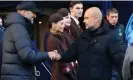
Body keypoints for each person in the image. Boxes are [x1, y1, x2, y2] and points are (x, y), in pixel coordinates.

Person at [54, 7, 126, 80]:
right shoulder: (82, 37)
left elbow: (122, 64)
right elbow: (70, 54)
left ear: (95, 19)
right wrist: (56, 56)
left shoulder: (112, 37)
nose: (84, 21)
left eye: (86, 18)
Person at [1, 1, 60, 80]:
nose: (35, 15)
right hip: (19, 76)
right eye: (33, 12)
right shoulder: (18, 29)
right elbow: (28, 56)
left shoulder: (14, 27)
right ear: (23, 12)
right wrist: (49, 54)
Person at [46, 13, 76, 80]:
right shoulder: (52, 40)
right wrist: (73, 76)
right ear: (53, 25)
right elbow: (61, 62)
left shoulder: (61, 37)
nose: (63, 26)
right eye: (61, 24)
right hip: (60, 76)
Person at [103, 8, 126, 80]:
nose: (114, 19)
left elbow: (124, 41)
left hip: (122, 63)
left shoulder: (121, 27)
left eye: (116, 17)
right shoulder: (102, 29)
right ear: (107, 17)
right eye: (112, 17)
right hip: (109, 65)